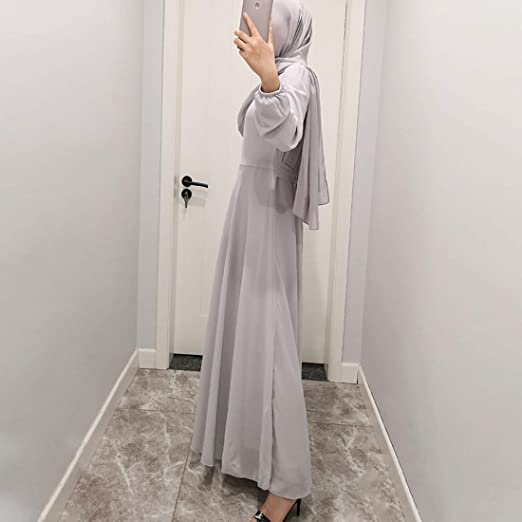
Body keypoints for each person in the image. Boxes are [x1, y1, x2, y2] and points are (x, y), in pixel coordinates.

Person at [191, 1, 329, 520]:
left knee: (272, 341)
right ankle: (248, 449)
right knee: (247, 328)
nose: (260, 26)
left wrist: (269, 76)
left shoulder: (296, 76)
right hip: (250, 209)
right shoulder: (281, 75)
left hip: (268, 214)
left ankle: (288, 484)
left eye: (270, 17)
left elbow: (287, 130)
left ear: (291, 26)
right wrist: (266, 76)